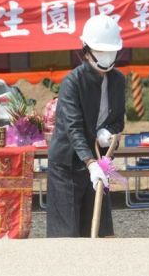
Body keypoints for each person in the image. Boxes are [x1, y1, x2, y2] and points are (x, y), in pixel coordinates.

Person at [46, 14, 125, 237]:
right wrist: (90, 163)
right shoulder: (72, 82)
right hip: (67, 164)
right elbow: (73, 128)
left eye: (111, 52)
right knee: (67, 234)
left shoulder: (118, 81)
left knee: (98, 229)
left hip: (99, 161)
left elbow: (119, 119)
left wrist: (107, 132)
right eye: (101, 52)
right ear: (86, 49)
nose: (106, 58)